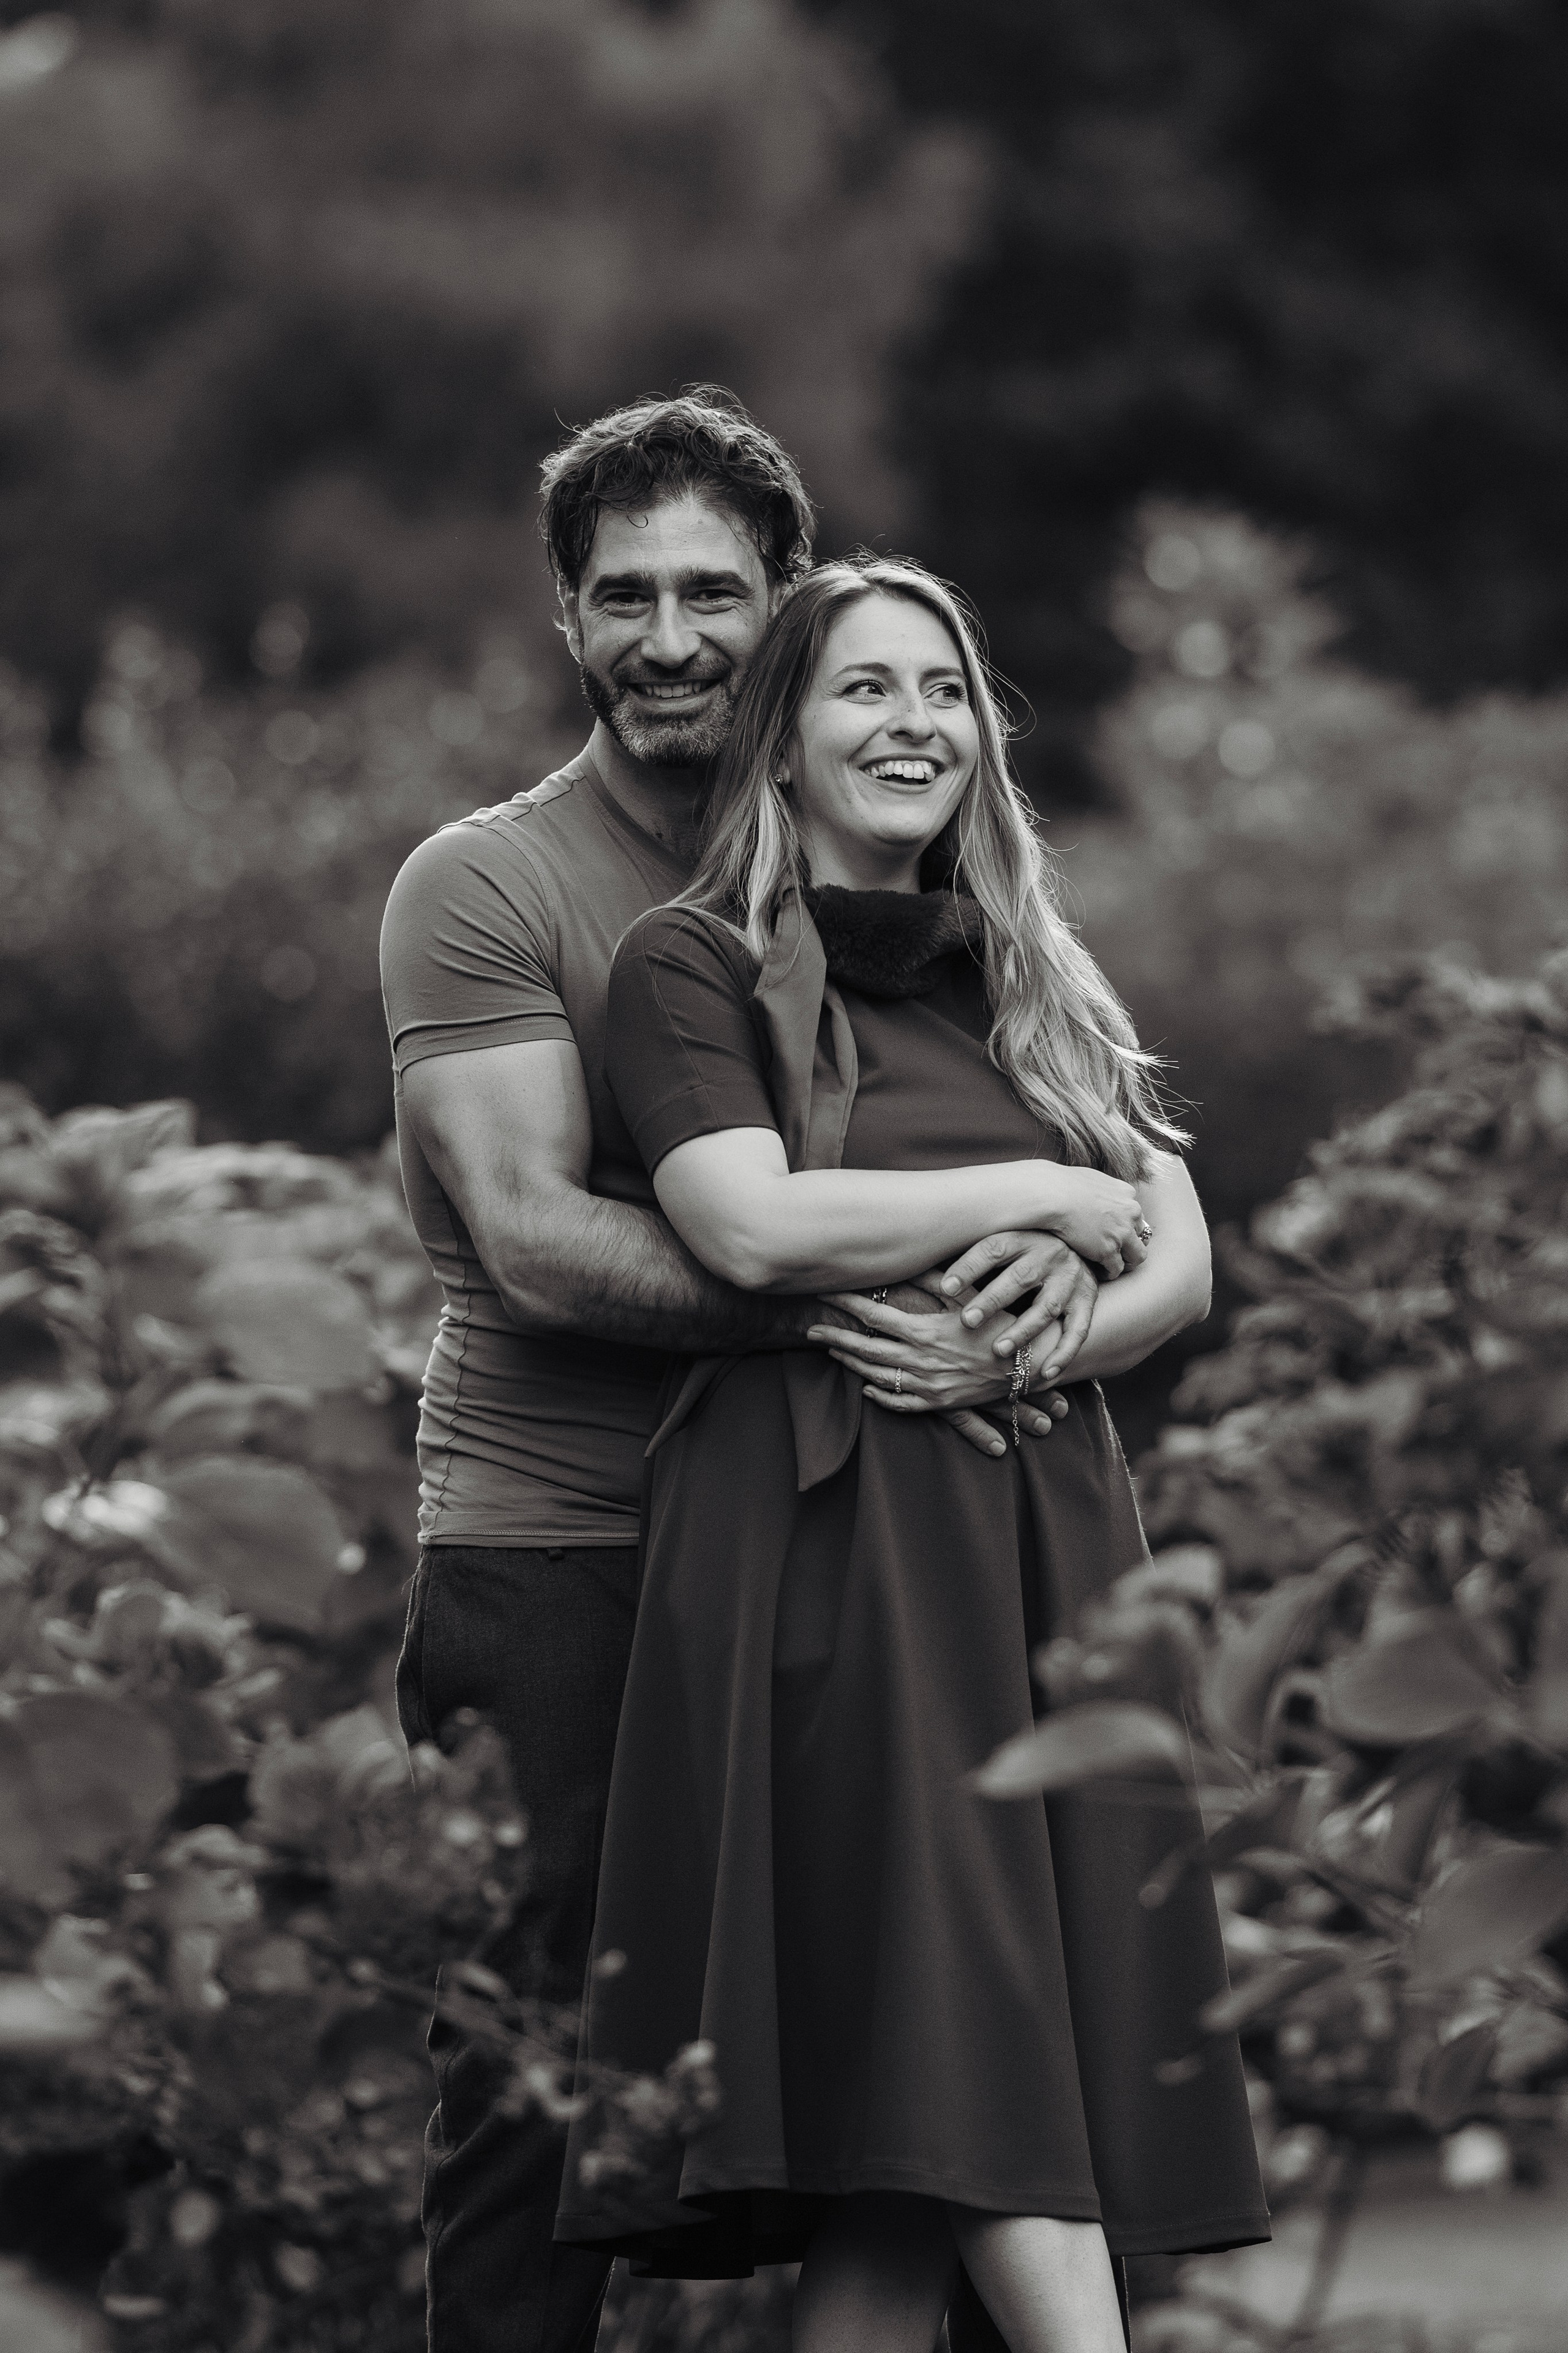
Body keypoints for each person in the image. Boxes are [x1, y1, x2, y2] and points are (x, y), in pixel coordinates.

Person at [380, 391, 1099, 2353]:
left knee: (917, 2077)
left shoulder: (892, 829)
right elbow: (532, 1234)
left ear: (789, 604)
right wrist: (911, 1295)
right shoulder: (493, 885)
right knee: (545, 2094)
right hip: (570, 1548)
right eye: (625, 597)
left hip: (856, 1547)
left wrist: (1043, 1245)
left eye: (717, 591)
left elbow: (1054, 1145)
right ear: (568, 619)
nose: (672, 637)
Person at [554, 556, 1271, 2350]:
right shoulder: (691, 962)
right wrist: (1047, 1194)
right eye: (865, 691)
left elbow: (1180, 1260)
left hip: (1032, 1546)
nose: (915, 724)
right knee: (974, 2027)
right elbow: (753, 1227)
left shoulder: (1034, 970)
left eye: (944, 691)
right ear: (782, 741)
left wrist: (1012, 1337)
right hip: (830, 1555)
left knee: (902, 2160)